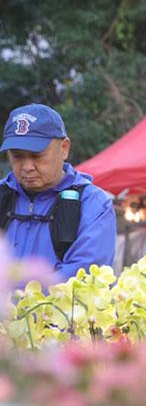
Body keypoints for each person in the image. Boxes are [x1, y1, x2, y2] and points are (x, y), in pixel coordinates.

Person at [0, 103, 116, 282]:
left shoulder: (94, 205)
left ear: (64, 148)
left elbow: (82, 278)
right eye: (17, 156)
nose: (27, 167)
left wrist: (16, 300)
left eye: (37, 155)